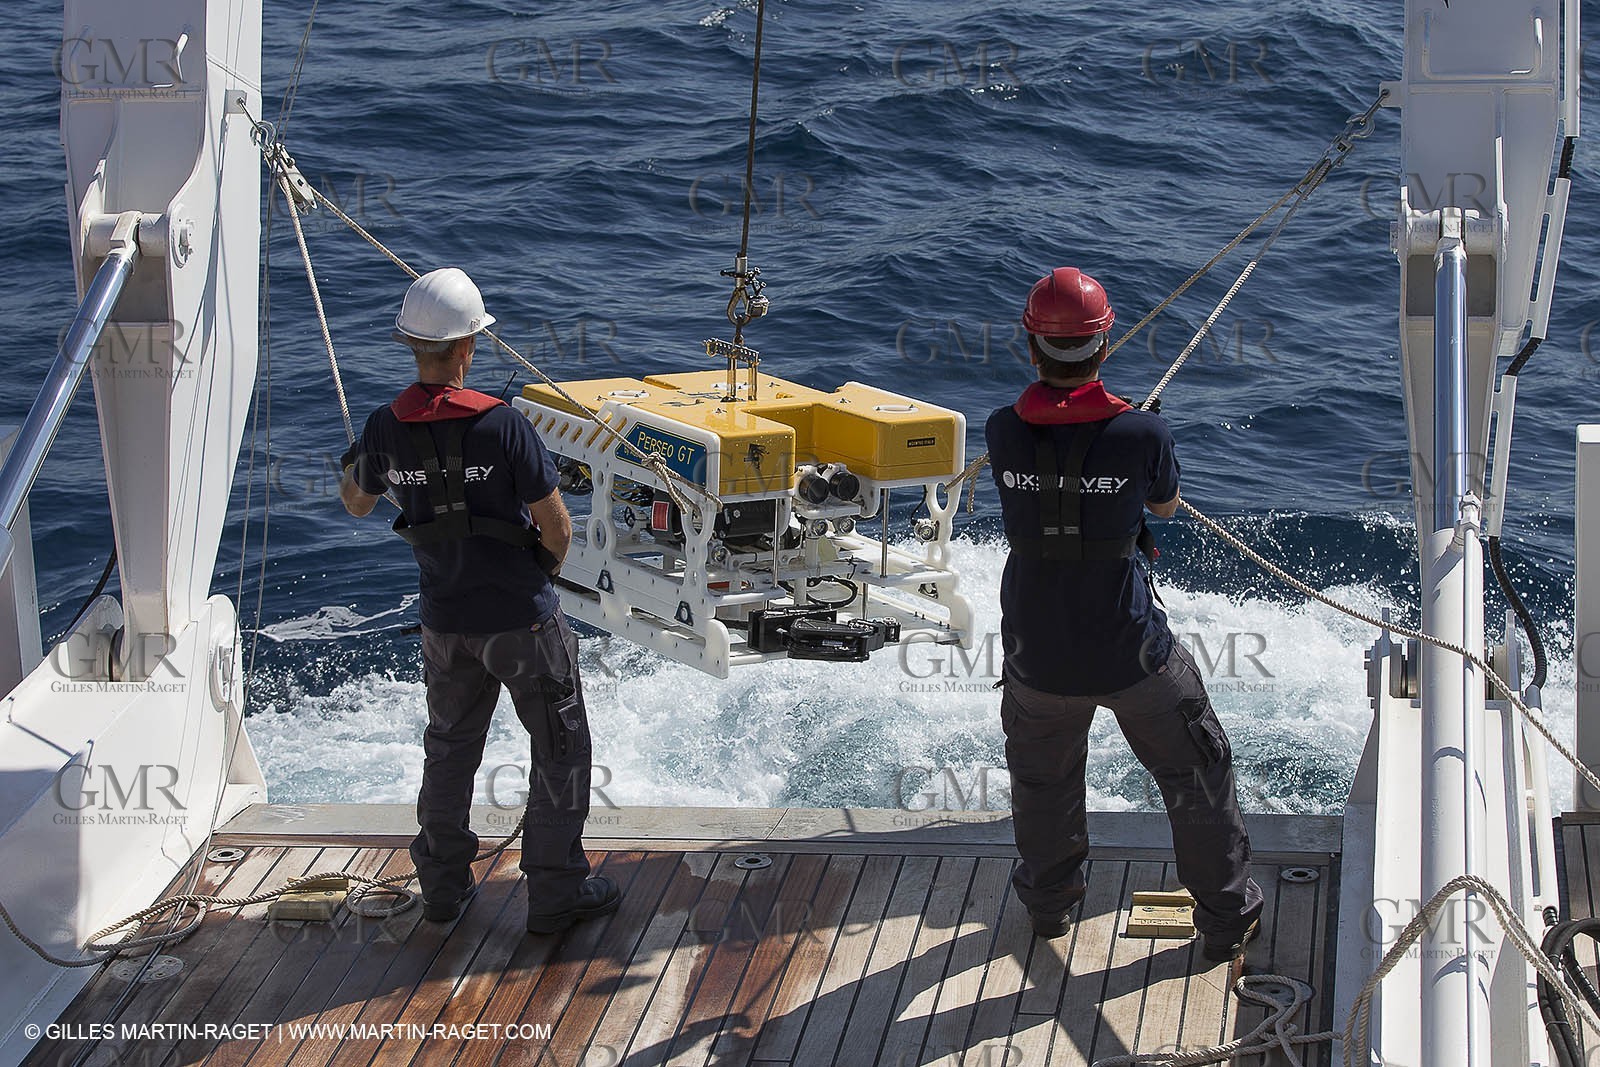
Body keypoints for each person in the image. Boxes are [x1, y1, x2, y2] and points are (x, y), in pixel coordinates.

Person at [986, 266, 1263, 962]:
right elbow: (1164, 507)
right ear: (1104, 344)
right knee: (1198, 767)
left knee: (1044, 781)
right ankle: (1226, 918)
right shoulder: (1144, 433)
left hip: (1035, 651)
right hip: (1129, 651)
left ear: (1031, 347)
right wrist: (1133, 430)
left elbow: (1055, 458)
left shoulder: (1000, 432)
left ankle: (1049, 908)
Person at [339, 266, 620, 935]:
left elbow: (356, 503)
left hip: (444, 622)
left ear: (412, 346)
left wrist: (371, 458)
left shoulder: (384, 425)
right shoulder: (504, 424)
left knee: (450, 747)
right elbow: (558, 529)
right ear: (468, 347)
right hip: (521, 618)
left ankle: (443, 886)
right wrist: (538, 583)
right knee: (560, 749)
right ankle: (554, 893)